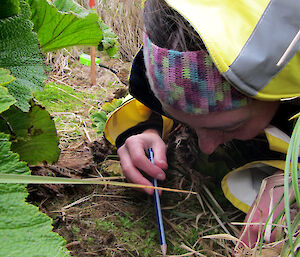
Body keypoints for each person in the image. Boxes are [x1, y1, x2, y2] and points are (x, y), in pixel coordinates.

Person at [104, 0, 300, 249]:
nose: (206, 147)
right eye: (188, 122)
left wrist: (294, 180)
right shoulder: (175, 53)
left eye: (229, 127)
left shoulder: (288, 53)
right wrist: (148, 125)